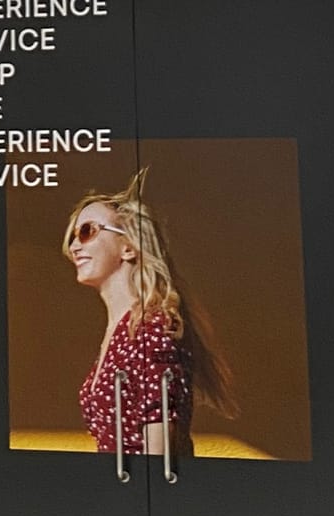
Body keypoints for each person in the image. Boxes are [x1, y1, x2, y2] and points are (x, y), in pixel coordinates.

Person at [65, 176, 231, 459]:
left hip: (140, 492)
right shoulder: (123, 328)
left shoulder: (150, 328)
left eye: (87, 232)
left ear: (128, 246)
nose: (74, 246)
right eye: (72, 238)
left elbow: (160, 451)